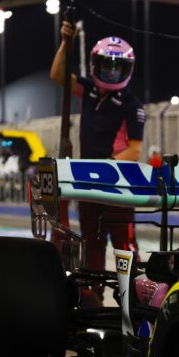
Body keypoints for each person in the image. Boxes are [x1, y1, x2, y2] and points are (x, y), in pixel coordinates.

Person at [51, 21, 145, 301]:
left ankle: (132, 297)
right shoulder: (88, 90)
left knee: (124, 246)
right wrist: (65, 42)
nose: (111, 71)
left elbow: (135, 151)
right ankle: (93, 298)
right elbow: (57, 75)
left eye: (117, 67)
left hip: (119, 189)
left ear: (127, 69)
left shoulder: (132, 106)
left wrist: (105, 167)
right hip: (88, 185)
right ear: (95, 64)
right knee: (91, 245)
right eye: (106, 65)